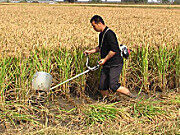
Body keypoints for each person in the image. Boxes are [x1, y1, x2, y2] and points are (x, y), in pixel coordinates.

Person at [84, 15, 135, 100]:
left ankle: (132, 96)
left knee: (113, 85)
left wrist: (104, 59)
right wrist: (90, 51)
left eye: (94, 26)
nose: (93, 28)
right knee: (102, 86)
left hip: (115, 64)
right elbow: (100, 47)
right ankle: (106, 102)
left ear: (99, 23)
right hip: (107, 64)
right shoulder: (101, 35)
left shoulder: (110, 34)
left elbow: (113, 50)